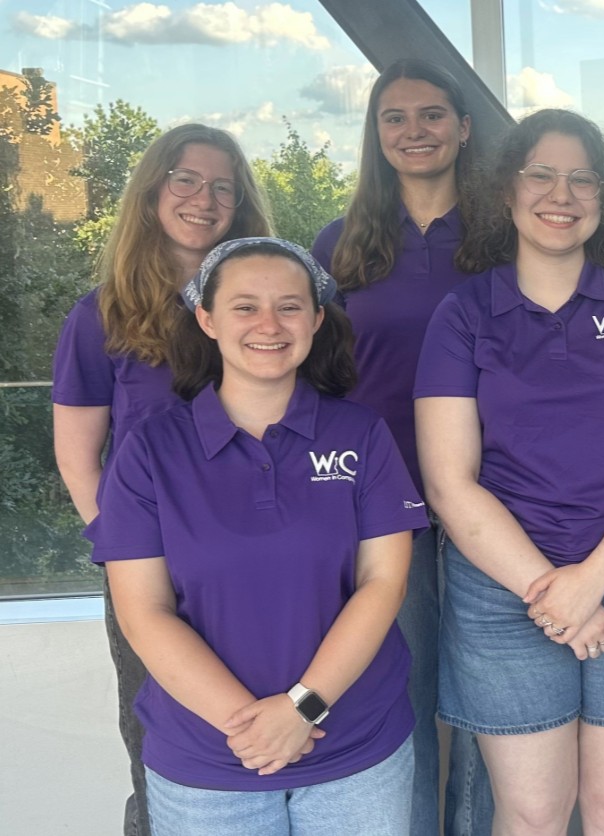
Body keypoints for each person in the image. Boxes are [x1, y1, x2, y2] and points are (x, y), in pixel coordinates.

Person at [415, 108, 604, 836]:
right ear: (508, 190)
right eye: (541, 173)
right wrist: (553, 591)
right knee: (535, 812)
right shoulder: (463, 314)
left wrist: (592, 579)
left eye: (582, 178)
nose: (561, 193)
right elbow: (450, 481)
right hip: (503, 591)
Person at [86, 237, 427, 834]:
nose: (269, 324)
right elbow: (144, 611)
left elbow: (384, 583)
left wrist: (302, 709)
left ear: (317, 320)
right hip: (207, 760)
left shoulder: (362, 435)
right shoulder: (150, 451)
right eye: (245, 306)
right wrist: (253, 727)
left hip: (355, 748)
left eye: (290, 306)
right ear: (207, 319)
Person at [51, 123, 271, 835]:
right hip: (152, 575)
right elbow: (79, 459)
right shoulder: (101, 316)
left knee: (261, 737)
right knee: (161, 749)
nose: (203, 200)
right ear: (151, 193)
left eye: (222, 188)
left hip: (259, 564)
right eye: (186, 180)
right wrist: (124, 555)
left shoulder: (263, 313)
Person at [311, 58, 493, 836]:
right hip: (384, 508)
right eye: (395, 117)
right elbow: (312, 377)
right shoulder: (339, 244)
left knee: (496, 697)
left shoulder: (505, 237)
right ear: (376, 135)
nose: (414, 130)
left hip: (498, 499)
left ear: (463, 128)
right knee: (402, 693)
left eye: (430, 115)